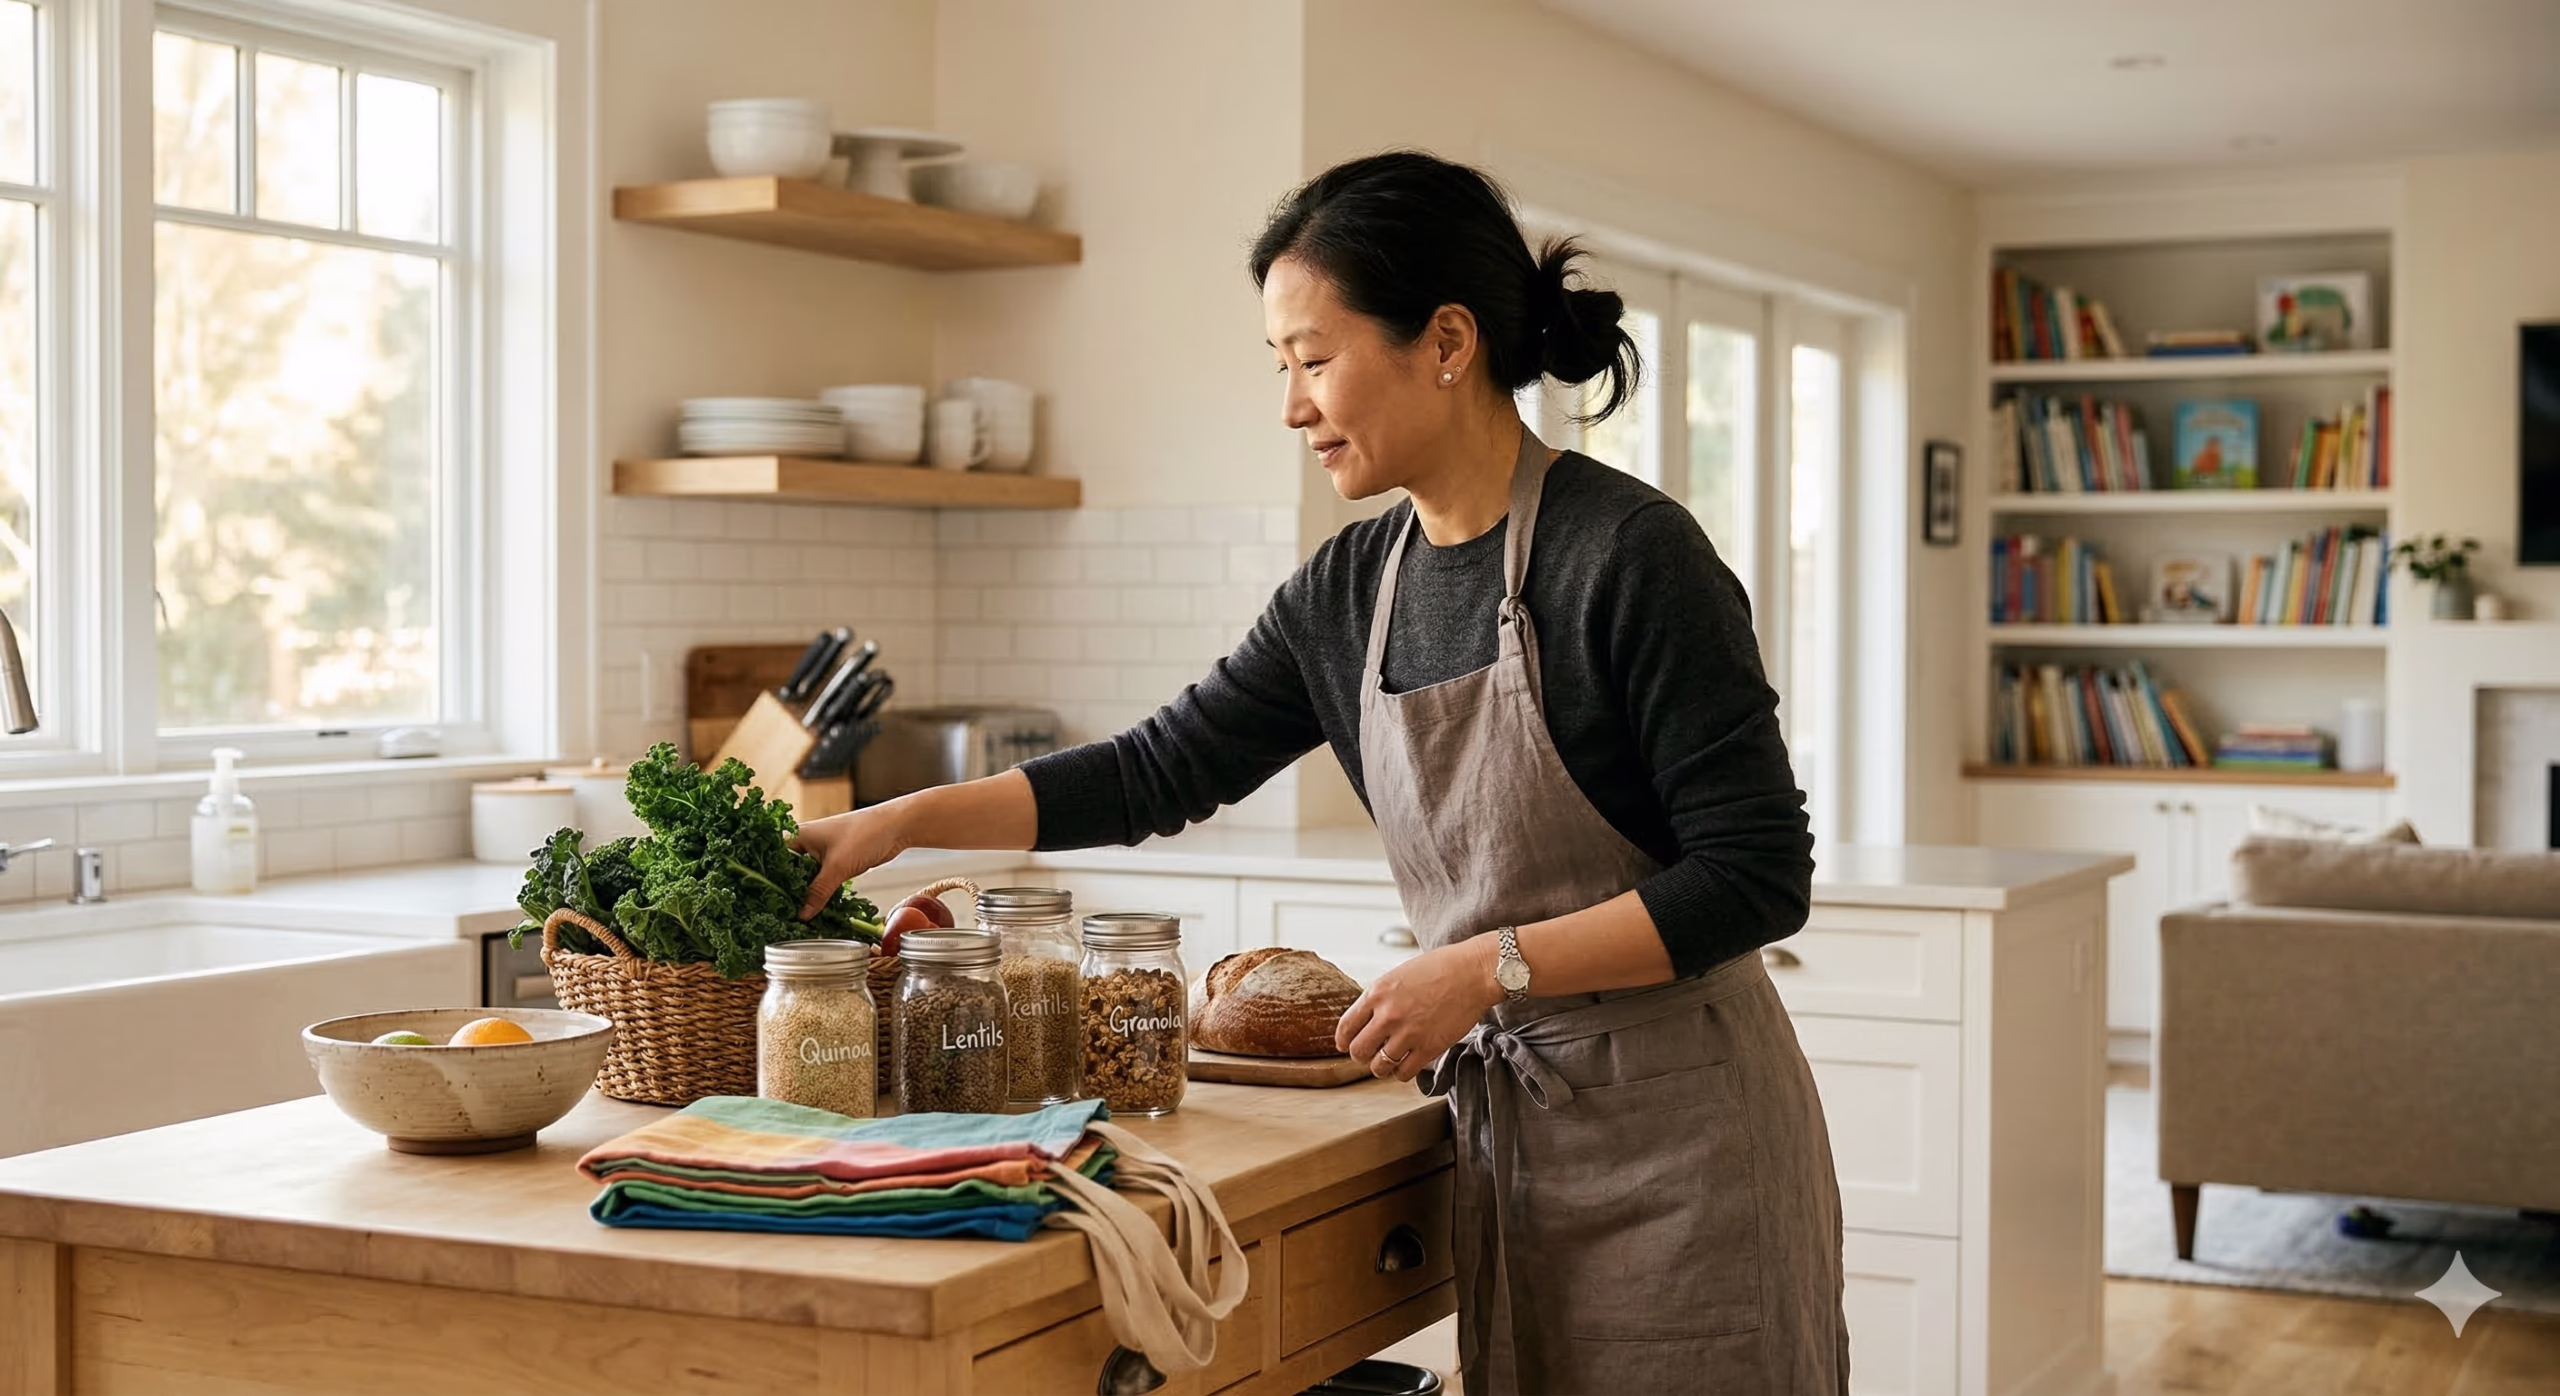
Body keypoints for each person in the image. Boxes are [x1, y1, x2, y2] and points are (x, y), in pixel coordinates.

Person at [795, 150, 1847, 1393]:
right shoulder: (1350, 591)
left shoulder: (1628, 558)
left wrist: (1488, 963)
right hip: (1508, 1136)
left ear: (1445, 341)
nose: (1291, 404)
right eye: (1278, 367)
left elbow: (1757, 875)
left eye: (1312, 357)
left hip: (1687, 1148)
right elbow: (1156, 769)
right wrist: (892, 823)